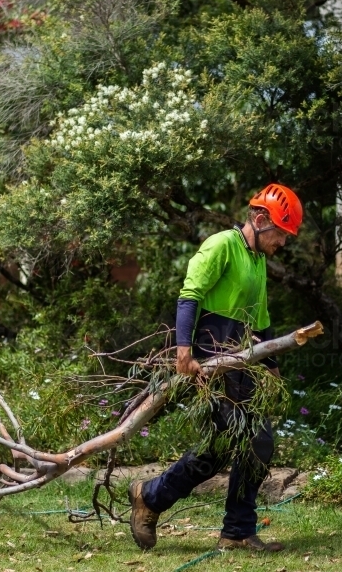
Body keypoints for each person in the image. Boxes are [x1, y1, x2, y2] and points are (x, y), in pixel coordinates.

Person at [128, 184, 303, 553]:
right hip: (212, 360)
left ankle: (233, 529)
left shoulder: (257, 261)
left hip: (243, 361)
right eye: (281, 234)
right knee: (230, 443)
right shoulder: (221, 245)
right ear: (259, 219)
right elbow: (190, 295)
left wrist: (270, 366)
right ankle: (153, 497)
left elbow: (262, 319)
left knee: (252, 443)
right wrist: (184, 350)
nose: (283, 244)